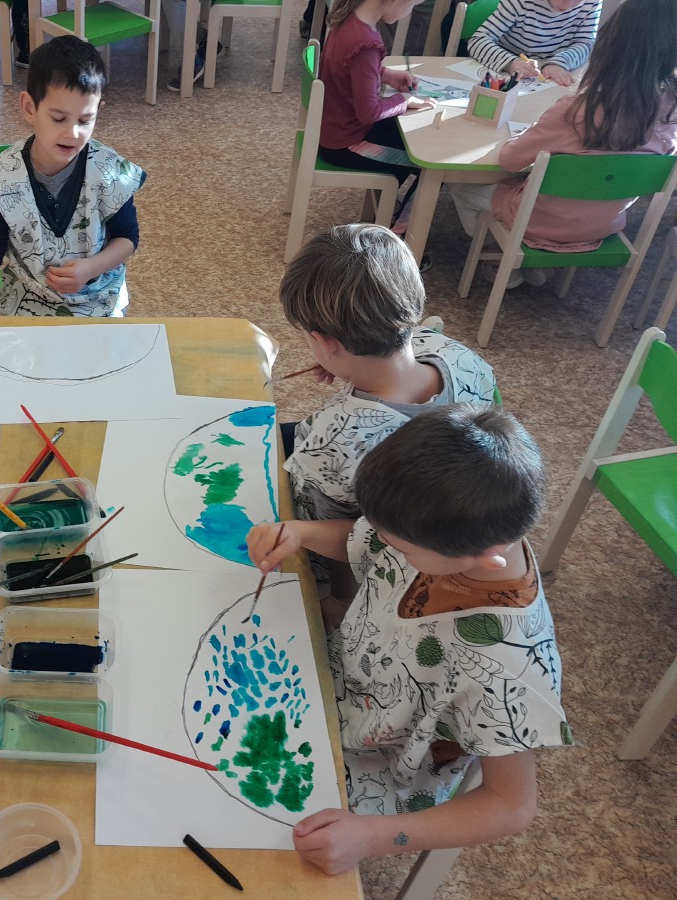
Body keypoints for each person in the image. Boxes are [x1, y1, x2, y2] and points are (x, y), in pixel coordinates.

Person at [248, 405, 573, 875]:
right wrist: (300, 533)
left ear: (489, 558)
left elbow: (511, 805)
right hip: (338, 678)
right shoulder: (443, 531)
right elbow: (364, 539)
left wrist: (371, 837)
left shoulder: (509, 665)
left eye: (400, 545)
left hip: (381, 764)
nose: (382, 541)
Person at [280, 224, 497, 619]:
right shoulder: (460, 356)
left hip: (360, 539)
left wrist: (341, 598)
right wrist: (345, 363)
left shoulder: (333, 439)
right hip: (435, 500)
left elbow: (339, 527)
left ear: (325, 342)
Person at [0, 36, 146, 317]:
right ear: (29, 108)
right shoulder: (2, 178)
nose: (73, 133)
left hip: (98, 299)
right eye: (59, 118)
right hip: (26, 300)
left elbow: (127, 237)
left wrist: (92, 267)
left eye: (85, 120)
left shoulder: (109, 171)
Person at [451, 0, 677, 288]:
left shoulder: (575, 111)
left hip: (535, 220)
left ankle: (503, 258)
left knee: (462, 187)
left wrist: (528, 134)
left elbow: (509, 160)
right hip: (602, 224)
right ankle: (540, 263)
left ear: (610, 45)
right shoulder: (671, 119)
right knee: (552, 182)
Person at [317, 0, 436, 238]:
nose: (409, 13)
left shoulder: (349, 18)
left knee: (414, 139)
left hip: (336, 130)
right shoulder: (366, 44)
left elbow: (351, 66)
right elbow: (369, 112)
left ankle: (384, 211)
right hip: (347, 144)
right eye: (412, 5)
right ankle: (401, 237)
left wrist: (385, 74)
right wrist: (404, 100)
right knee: (431, 164)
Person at [467, 0, 600, 88]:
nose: (568, 3)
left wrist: (559, 63)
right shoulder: (519, 2)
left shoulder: (592, 3)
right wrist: (511, 63)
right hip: (509, 66)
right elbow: (478, 40)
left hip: (551, 72)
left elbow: (586, 43)